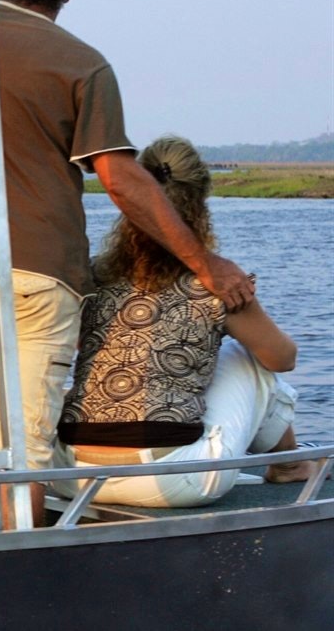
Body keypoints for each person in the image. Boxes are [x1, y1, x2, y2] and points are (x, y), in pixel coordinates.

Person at [0, 0, 254, 519]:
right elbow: (120, 180)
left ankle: (2, 540)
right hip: (35, 269)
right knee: (28, 449)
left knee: (3, 420)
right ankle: (24, 570)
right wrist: (207, 264)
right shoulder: (83, 64)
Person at [50, 137, 311, 508]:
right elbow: (283, 359)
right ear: (200, 202)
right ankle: (290, 465)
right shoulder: (220, 284)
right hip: (168, 479)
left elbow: (87, 347)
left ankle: (289, 461)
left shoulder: (96, 274)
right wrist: (244, 309)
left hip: (72, 474)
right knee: (250, 357)